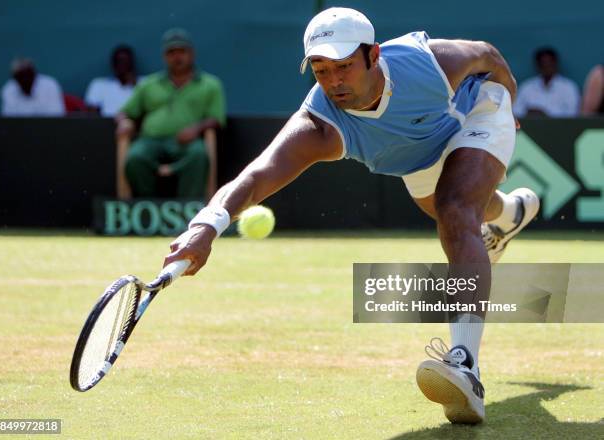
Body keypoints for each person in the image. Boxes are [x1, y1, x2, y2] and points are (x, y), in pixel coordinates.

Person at [163, 8, 540, 424]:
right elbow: (257, 174)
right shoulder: (319, 125)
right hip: (419, 156)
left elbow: (487, 54)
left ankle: (465, 365)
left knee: (455, 210)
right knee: (463, 212)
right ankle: (509, 215)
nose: (334, 81)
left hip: (477, 112)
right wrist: (206, 225)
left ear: (374, 55)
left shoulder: (428, 63)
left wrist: (510, 104)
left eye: (344, 66)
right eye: (321, 70)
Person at [115, 28, 226, 200]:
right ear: (164, 57)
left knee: (198, 155)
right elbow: (125, 112)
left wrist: (196, 129)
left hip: (186, 142)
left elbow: (216, 119)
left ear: (192, 54)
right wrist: (124, 122)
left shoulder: (210, 84)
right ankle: (147, 206)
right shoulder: (149, 84)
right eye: (171, 52)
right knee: (135, 157)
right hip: (151, 140)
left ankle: (189, 208)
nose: (177, 57)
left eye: (182, 51)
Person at [513, 47, 580, 117]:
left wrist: (545, 115)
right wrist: (529, 112)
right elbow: (516, 111)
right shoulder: (527, 87)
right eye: (543, 63)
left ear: (555, 63)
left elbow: (573, 113)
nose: (547, 66)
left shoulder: (568, 87)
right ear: (538, 65)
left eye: (550, 63)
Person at [85, 45, 139, 117]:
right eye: (119, 61)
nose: (122, 65)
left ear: (132, 63)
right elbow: (91, 113)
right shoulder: (99, 84)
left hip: (135, 124)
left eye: (126, 61)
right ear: (113, 63)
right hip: (106, 124)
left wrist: (135, 84)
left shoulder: (144, 83)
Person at [1, 58, 65, 116]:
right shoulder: (8, 89)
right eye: (21, 76)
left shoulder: (50, 85)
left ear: (34, 73)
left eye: (28, 75)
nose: (25, 80)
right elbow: (9, 119)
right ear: (15, 78)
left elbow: (56, 116)